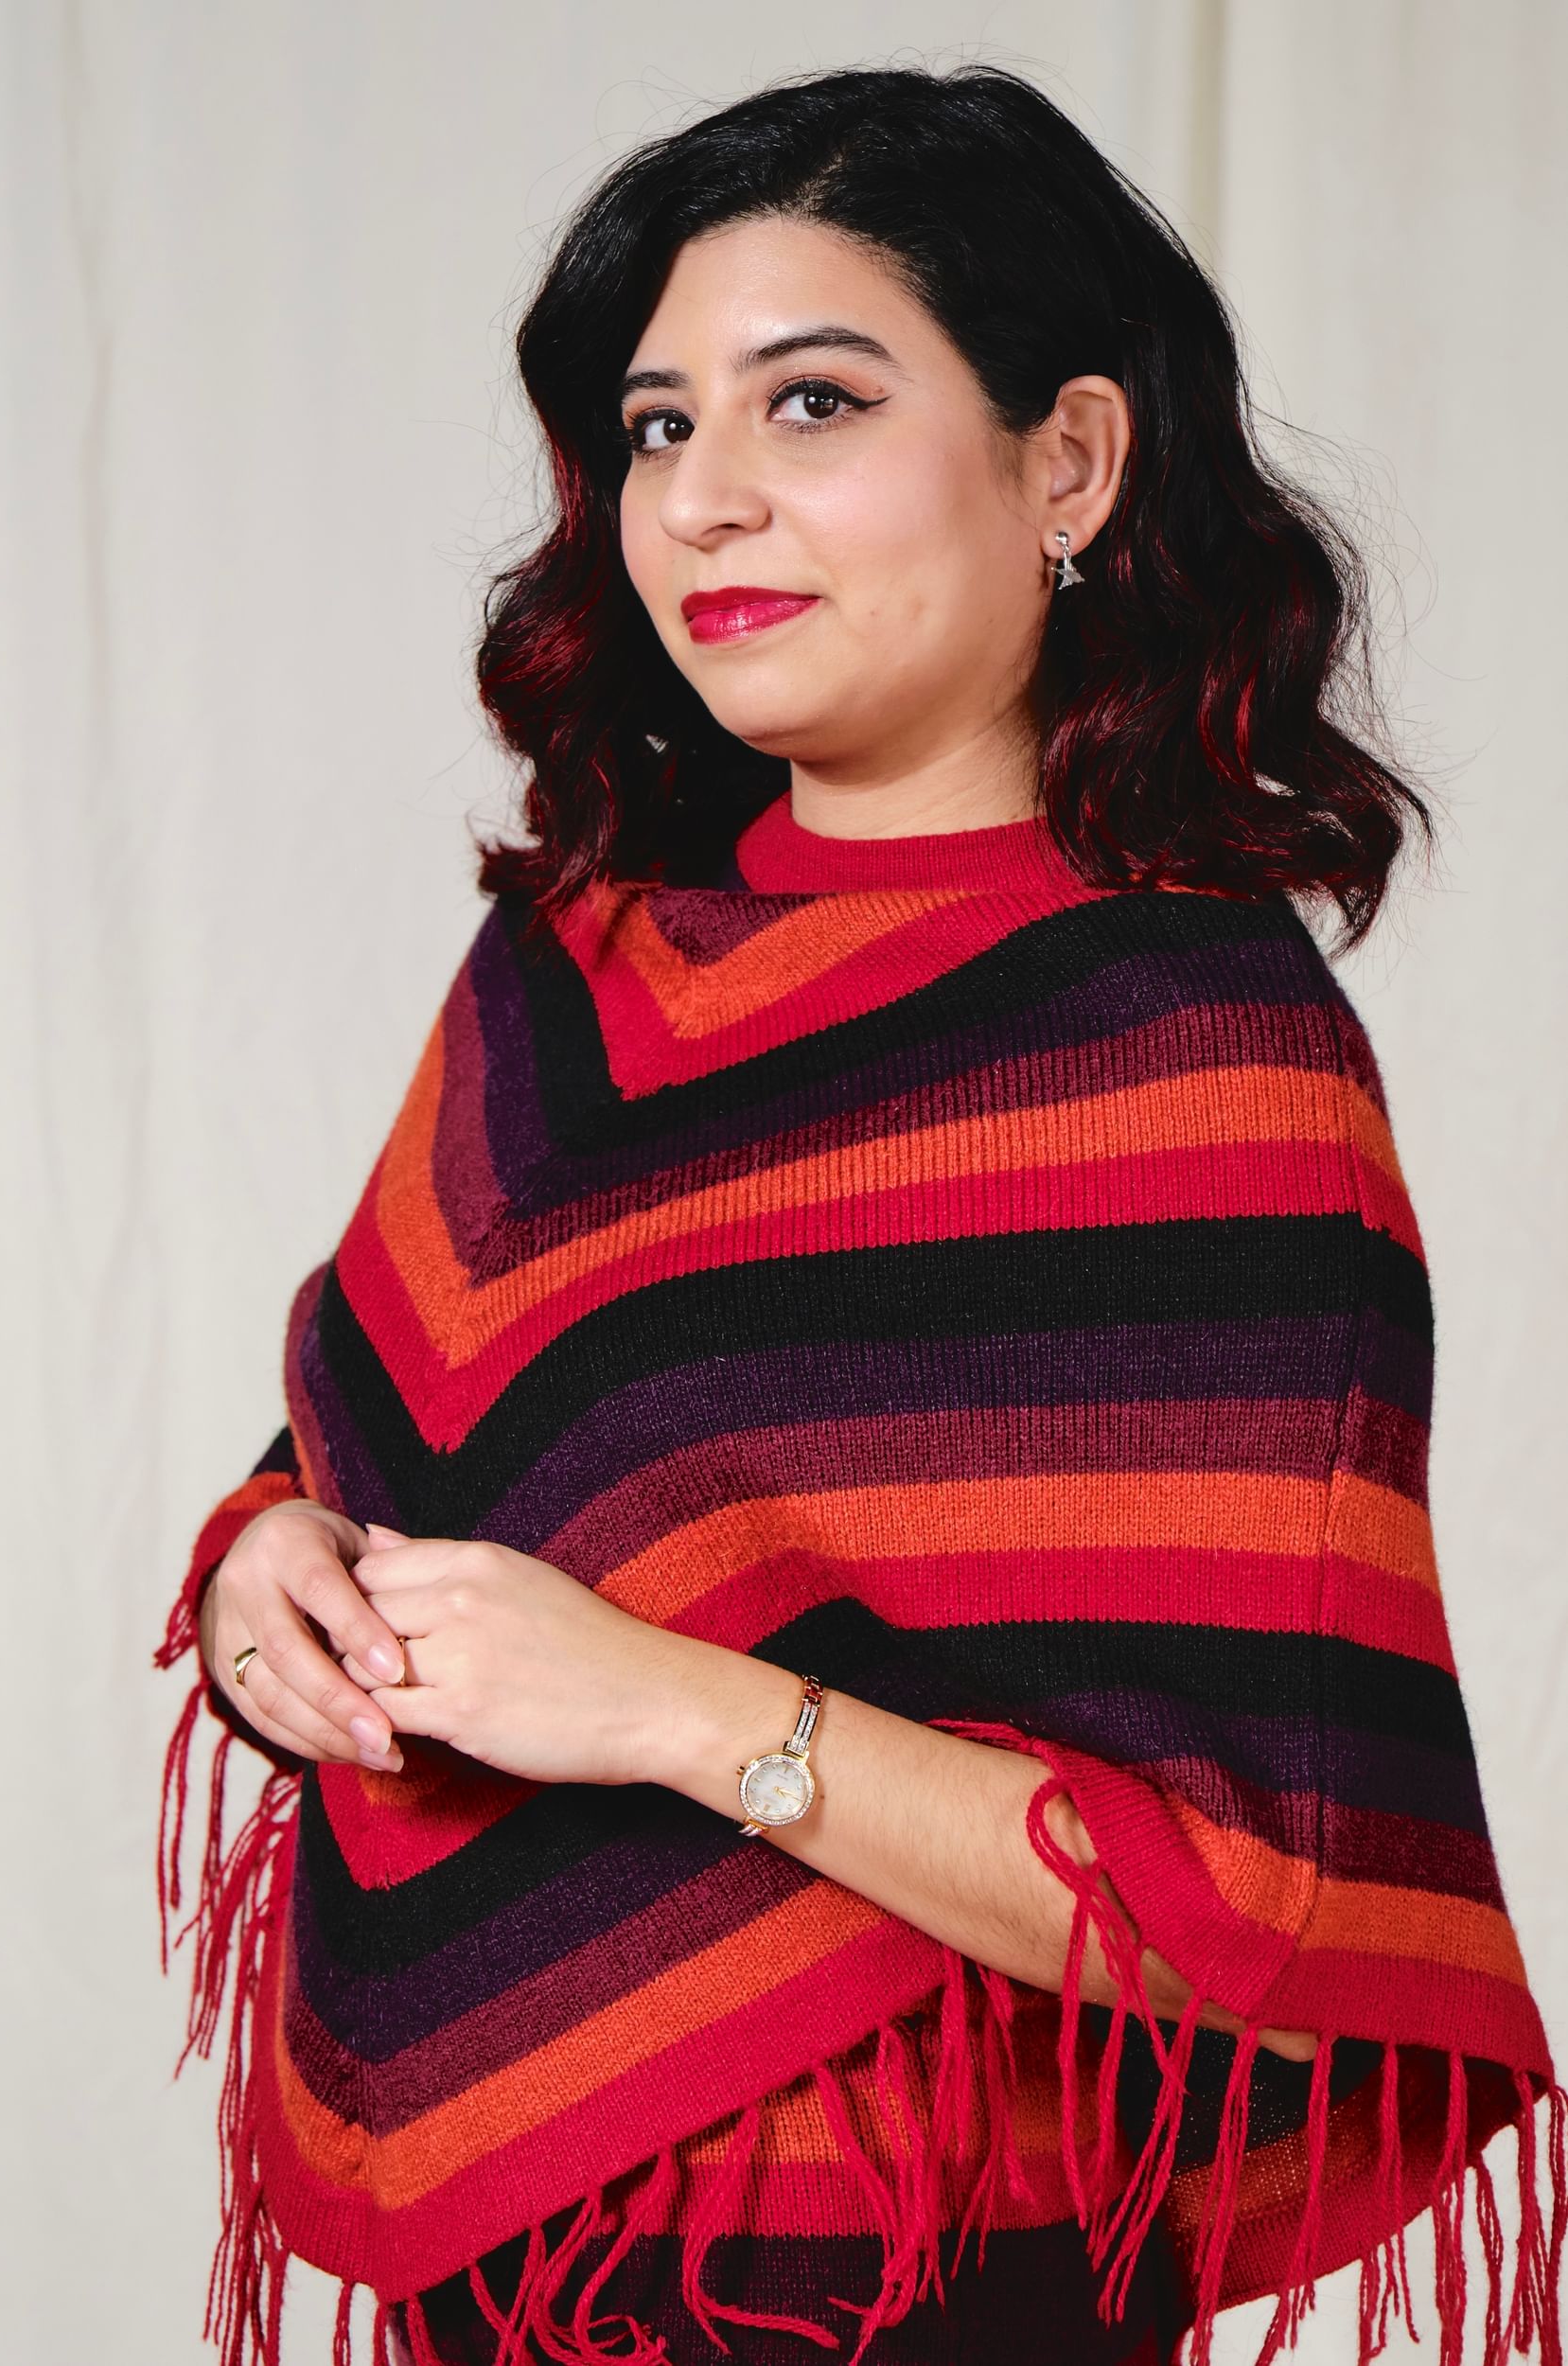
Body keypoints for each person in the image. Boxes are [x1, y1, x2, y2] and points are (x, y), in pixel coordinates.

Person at [152, 61, 1564, 2366]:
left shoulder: (1193, 1049)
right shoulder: (569, 974)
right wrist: (258, 1575)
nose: (705, 499)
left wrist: (669, 1709)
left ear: (1071, 463)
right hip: (504, 2252)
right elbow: (380, 1450)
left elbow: (1256, 1915)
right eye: (653, 426)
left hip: (908, 2278)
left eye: (809, 401)